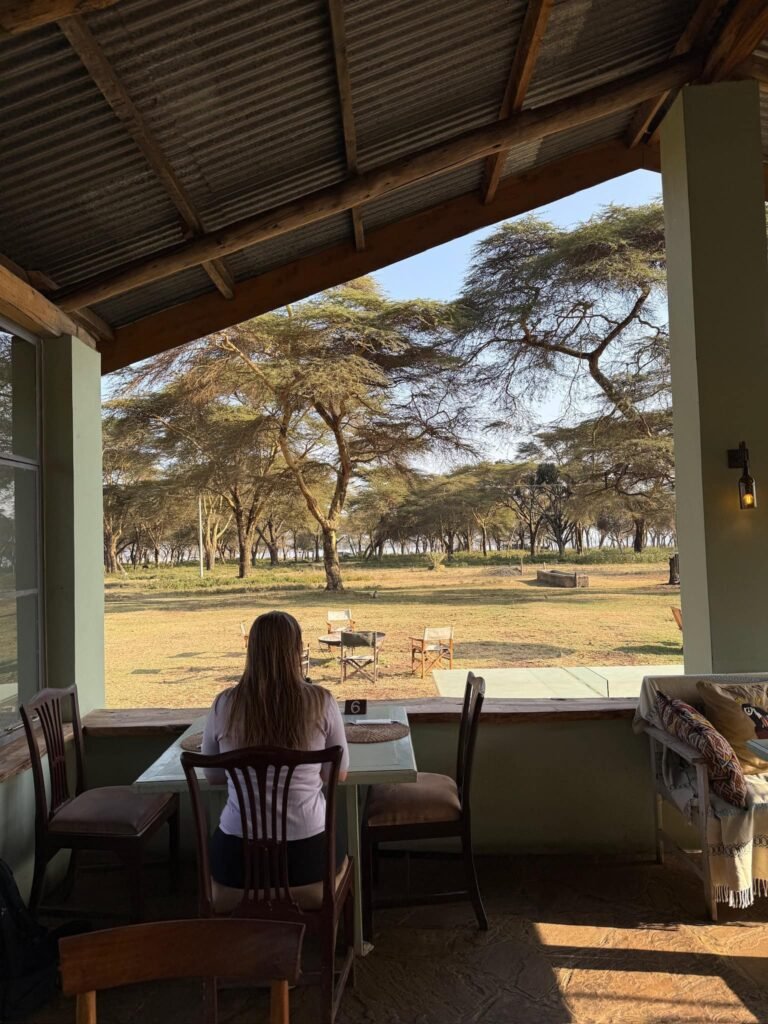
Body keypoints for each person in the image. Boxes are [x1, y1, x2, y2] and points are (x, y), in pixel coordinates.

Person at [201, 610, 349, 888]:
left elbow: (214, 777)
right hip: (308, 857)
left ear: (251, 650)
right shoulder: (321, 702)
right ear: (296, 649)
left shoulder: (224, 705)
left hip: (237, 860)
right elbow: (337, 775)